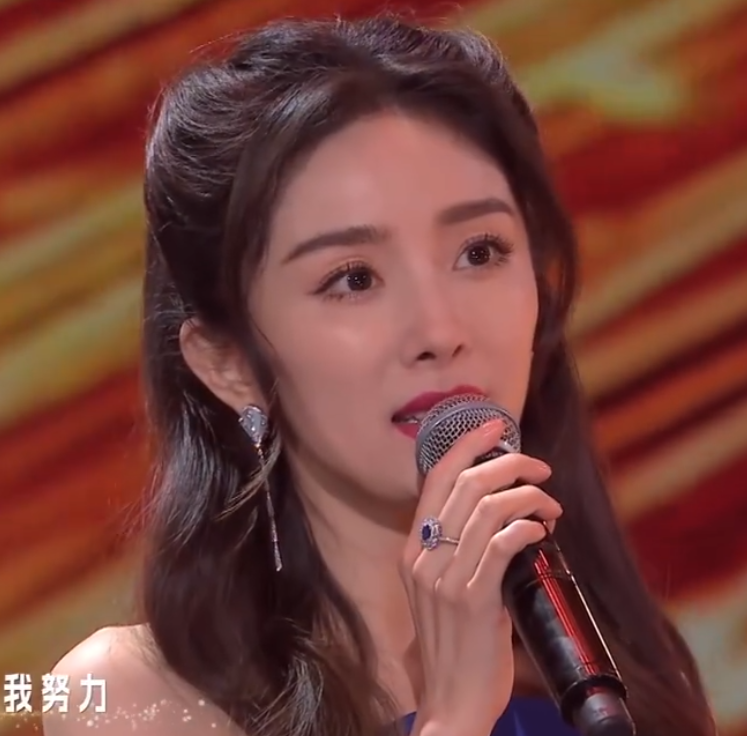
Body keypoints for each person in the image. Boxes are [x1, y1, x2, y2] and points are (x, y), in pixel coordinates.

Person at [43, 14, 717, 736]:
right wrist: (455, 715)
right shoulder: (132, 694)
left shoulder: (627, 679)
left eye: (480, 252)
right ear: (229, 362)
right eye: (354, 278)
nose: (440, 331)